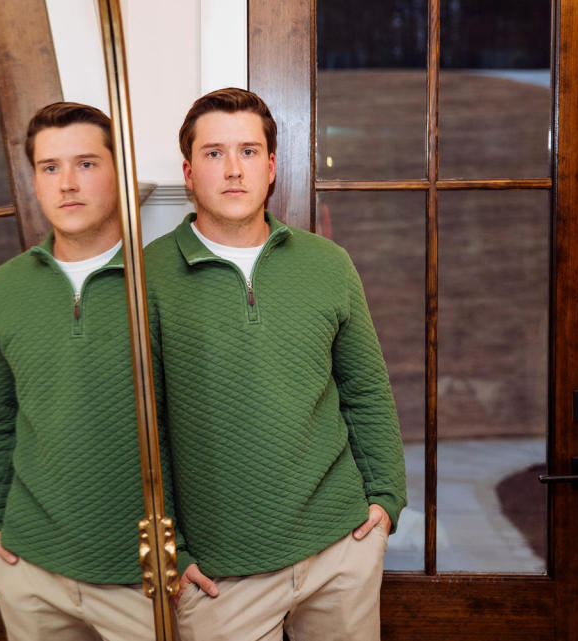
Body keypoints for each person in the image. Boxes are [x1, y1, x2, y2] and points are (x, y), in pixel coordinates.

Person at [145, 88, 407, 641]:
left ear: (270, 167)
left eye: (248, 151)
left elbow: (364, 390)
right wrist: (174, 552)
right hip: (219, 578)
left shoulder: (327, 263)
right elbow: (143, 429)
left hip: (341, 550)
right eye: (214, 154)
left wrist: (385, 496)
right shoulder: (143, 280)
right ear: (189, 172)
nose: (233, 169)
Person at [0, 102, 154, 641]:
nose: (67, 183)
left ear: (120, 172)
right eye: (50, 167)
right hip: (31, 567)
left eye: (87, 164)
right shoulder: (5, 287)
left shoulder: (161, 279)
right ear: (34, 181)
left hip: (141, 577)